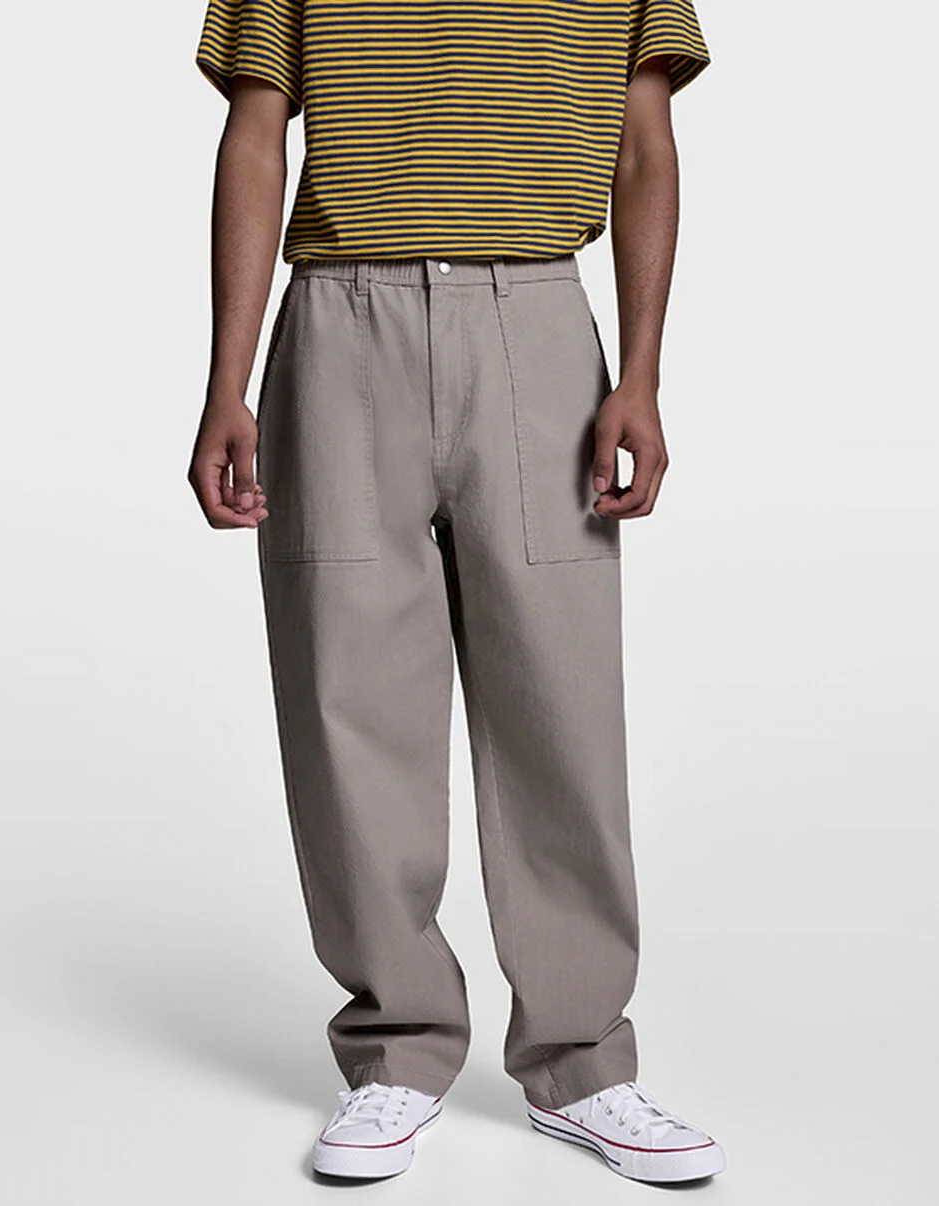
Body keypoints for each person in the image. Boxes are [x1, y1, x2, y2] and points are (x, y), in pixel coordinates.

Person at [187, 0, 725, 1186]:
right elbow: (255, 133)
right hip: (340, 321)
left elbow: (644, 142)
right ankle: (393, 1051)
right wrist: (227, 382)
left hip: (537, 317)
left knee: (560, 704)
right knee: (349, 699)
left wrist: (641, 373)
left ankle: (582, 1062)